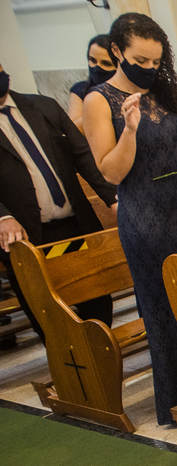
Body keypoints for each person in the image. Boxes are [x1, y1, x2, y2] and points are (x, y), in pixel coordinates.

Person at [82, 12, 177, 426]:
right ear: (117, 51)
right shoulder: (99, 100)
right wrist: (130, 130)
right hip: (145, 216)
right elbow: (111, 172)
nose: (150, 69)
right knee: (164, 307)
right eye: (141, 59)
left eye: (157, 62)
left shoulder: (173, 95)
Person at [0, 62, 117, 344]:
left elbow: (83, 156)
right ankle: (71, 372)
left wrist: (113, 199)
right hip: (27, 237)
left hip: (76, 224)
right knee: (49, 316)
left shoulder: (43, 107)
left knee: (99, 306)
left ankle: (101, 367)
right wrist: (2, 217)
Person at [66, 36, 115, 130]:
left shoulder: (127, 92)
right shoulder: (80, 89)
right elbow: (74, 130)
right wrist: (95, 106)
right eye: (93, 60)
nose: (97, 67)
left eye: (106, 63)